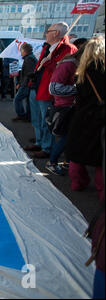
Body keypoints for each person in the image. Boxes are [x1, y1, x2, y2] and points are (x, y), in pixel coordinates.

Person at [25, 22, 78, 159]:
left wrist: (49, 63)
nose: (46, 33)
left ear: (55, 33)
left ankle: (47, 147)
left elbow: (65, 71)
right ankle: (40, 141)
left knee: (46, 121)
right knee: (37, 119)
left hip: (48, 91)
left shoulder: (68, 49)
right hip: (37, 86)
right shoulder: (47, 47)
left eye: (48, 31)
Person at [65, 36, 104, 199]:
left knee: (77, 153)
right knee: (101, 157)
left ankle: (77, 182)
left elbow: (79, 97)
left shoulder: (82, 73)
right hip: (101, 117)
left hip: (84, 117)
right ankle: (102, 191)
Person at [45, 38, 87, 176]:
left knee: (71, 136)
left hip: (72, 106)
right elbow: (54, 88)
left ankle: (67, 162)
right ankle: (52, 162)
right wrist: (79, 89)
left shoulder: (75, 64)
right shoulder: (68, 64)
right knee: (67, 136)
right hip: (65, 107)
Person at [13, 43, 37, 122]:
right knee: (28, 101)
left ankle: (22, 115)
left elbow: (28, 73)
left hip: (26, 84)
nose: (20, 53)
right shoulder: (30, 58)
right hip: (28, 83)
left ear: (24, 51)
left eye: (21, 51)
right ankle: (27, 116)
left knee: (17, 99)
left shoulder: (29, 59)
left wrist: (21, 83)